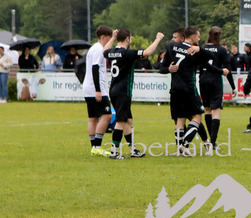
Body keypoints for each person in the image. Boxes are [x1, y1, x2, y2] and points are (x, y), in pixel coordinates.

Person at [104, 29, 164, 159]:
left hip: (113, 89)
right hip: (123, 91)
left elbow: (104, 50)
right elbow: (147, 52)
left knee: (128, 120)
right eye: (130, 38)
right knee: (120, 121)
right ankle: (114, 151)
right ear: (127, 39)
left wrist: (113, 38)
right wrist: (158, 39)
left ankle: (133, 150)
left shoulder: (112, 52)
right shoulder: (127, 53)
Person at [159, 27, 217, 157]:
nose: (199, 39)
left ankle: (188, 147)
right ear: (192, 38)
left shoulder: (171, 47)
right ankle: (184, 145)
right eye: (198, 37)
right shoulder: (193, 51)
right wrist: (200, 49)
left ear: (182, 38)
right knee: (197, 117)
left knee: (180, 120)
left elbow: (161, 68)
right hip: (189, 89)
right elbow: (212, 58)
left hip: (175, 89)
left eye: (175, 37)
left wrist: (167, 69)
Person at [82, 25, 116, 157]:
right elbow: (95, 68)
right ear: (103, 37)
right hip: (96, 88)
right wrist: (98, 90)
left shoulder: (93, 48)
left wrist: (113, 38)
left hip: (88, 87)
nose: (109, 41)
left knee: (93, 118)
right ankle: (97, 146)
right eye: (109, 38)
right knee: (107, 115)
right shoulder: (98, 49)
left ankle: (93, 147)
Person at [200, 26, 235, 155]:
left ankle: (210, 141)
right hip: (215, 81)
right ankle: (213, 142)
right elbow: (227, 69)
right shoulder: (221, 50)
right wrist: (233, 87)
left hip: (203, 81)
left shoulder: (202, 49)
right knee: (216, 112)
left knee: (207, 110)